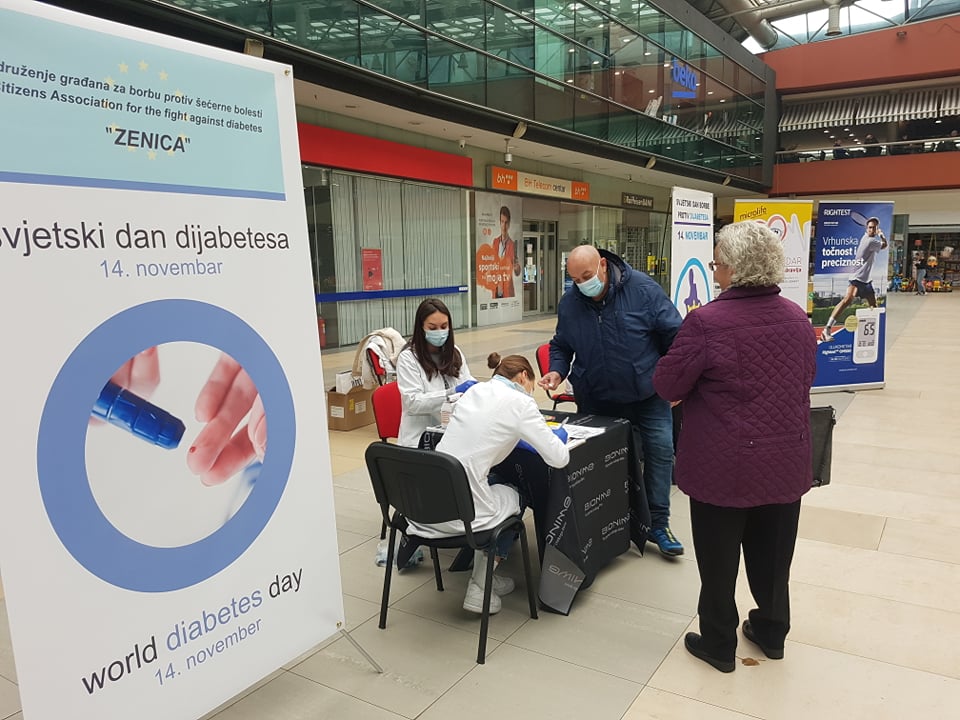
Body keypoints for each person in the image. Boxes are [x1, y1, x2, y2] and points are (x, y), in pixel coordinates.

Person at [652, 221, 817, 673]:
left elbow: (667, 384)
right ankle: (772, 632)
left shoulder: (707, 322)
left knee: (719, 563)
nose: (714, 270)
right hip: (786, 459)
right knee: (774, 558)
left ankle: (719, 644)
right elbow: (807, 377)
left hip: (724, 464)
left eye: (717, 263)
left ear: (734, 269)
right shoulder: (796, 317)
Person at [538, 244, 685, 556]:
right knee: (597, 462)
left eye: (587, 276)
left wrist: (674, 383)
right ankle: (607, 521)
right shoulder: (571, 302)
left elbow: (676, 338)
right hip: (597, 397)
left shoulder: (643, 290)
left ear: (603, 265)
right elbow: (561, 344)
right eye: (575, 279)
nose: (582, 284)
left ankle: (658, 523)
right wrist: (556, 370)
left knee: (660, 452)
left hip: (648, 394)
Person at [407, 352, 569, 614]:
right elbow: (559, 458)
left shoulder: (474, 392)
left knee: (493, 481)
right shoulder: (521, 403)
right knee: (517, 493)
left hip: (424, 506)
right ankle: (481, 585)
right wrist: (558, 435)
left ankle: (486, 576)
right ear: (524, 376)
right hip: (461, 515)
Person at [396, 298, 474, 448]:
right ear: (421, 328)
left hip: (452, 433)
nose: (439, 332)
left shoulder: (454, 352)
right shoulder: (408, 358)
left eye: (444, 326)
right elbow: (413, 402)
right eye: (432, 328)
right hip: (419, 439)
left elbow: (466, 383)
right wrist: (451, 393)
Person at [820, 216, 888, 342]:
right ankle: (826, 330)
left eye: (874, 228)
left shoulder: (866, 238)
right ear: (866, 228)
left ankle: (873, 333)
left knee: (874, 306)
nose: (872, 230)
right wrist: (881, 235)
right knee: (847, 300)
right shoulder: (870, 241)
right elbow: (885, 245)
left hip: (866, 281)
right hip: (857, 278)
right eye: (870, 227)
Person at [492, 206, 521, 299]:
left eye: (506, 222)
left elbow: (517, 272)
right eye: (502, 222)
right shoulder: (495, 242)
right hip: (496, 289)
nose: (504, 226)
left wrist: (517, 268)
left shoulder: (512, 245)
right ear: (499, 222)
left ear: (509, 224)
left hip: (507, 290)